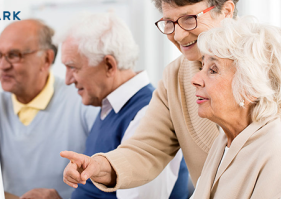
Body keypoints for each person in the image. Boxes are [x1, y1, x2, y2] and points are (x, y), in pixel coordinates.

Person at [60, 1, 281, 199]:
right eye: (168, 22)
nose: (179, 35)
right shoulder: (175, 78)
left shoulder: (280, 53)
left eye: (189, 18)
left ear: (227, 10)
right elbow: (147, 149)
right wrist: (100, 165)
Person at [35, 12, 187, 199]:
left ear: (109, 65)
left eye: (73, 67)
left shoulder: (147, 113)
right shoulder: (109, 108)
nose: (67, 80)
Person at [0, 19, 99, 199]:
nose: (2, 66)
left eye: (14, 55)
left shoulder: (83, 101)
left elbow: (106, 182)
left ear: (46, 59)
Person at [189, 16, 281, 198]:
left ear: (250, 88)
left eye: (213, 70)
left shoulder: (277, 150)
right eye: (202, 66)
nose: (195, 79)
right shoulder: (225, 140)